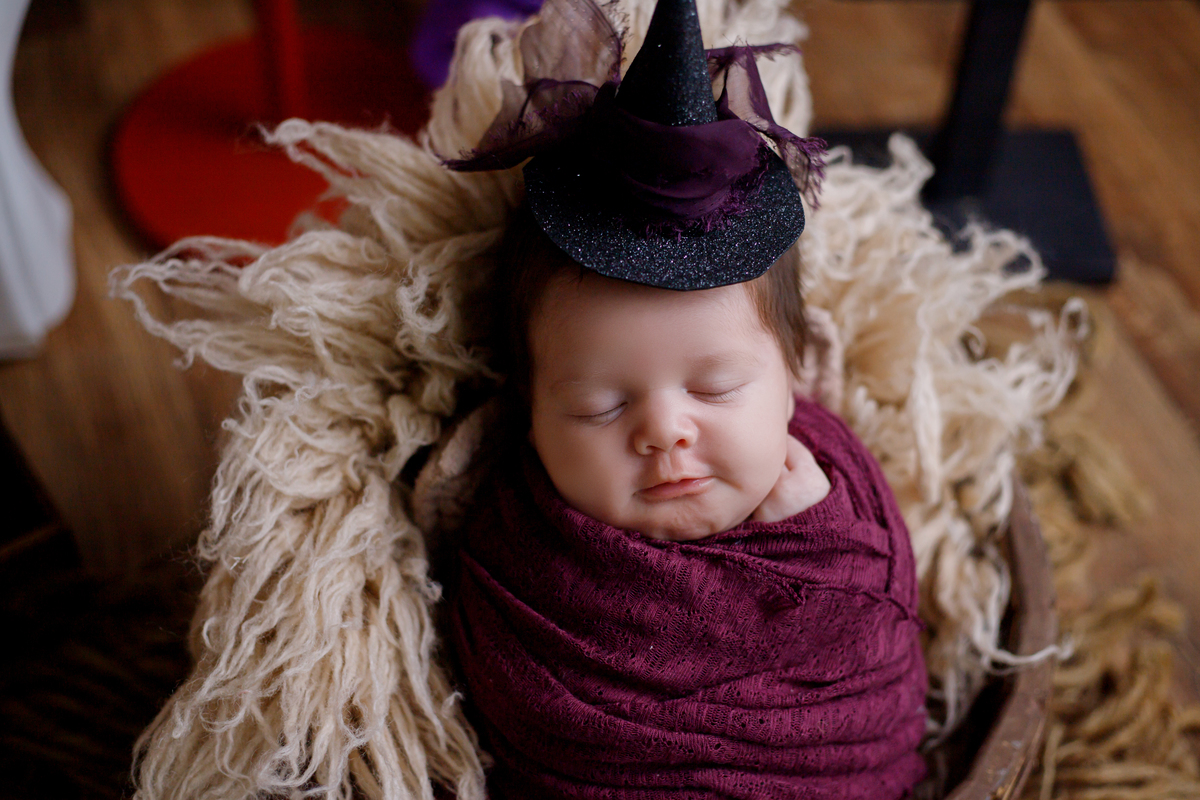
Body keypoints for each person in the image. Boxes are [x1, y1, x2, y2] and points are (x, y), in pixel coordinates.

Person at [443, 0, 928, 796]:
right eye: (598, 406)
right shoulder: (514, 557)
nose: (665, 431)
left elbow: (885, 661)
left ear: (794, 378)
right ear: (528, 409)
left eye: (716, 387)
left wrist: (824, 543)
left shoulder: (844, 510)